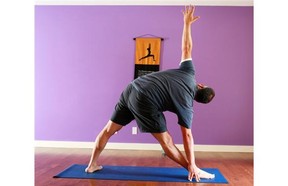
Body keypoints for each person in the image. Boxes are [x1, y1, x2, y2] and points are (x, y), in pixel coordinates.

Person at [85, 5, 215, 182]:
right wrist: (191, 162)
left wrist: (186, 24)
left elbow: (186, 47)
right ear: (197, 99)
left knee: (108, 130)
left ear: (200, 85)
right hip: (146, 100)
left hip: (132, 88)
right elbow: (188, 136)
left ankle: (92, 164)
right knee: (166, 141)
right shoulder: (187, 105)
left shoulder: (189, 72)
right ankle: (194, 170)